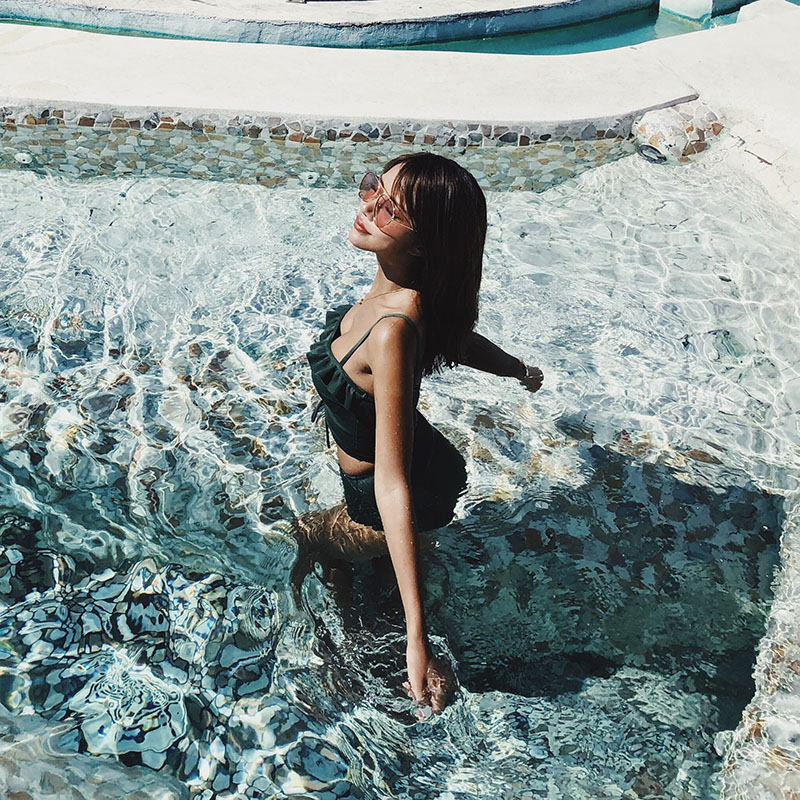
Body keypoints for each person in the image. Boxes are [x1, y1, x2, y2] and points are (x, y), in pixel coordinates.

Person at [295, 152, 543, 718]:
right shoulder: (405, 296)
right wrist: (517, 370)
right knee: (364, 566)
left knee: (311, 540)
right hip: (420, 467)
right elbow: (458, 340)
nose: (368, 207)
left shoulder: (394, 328)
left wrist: (418, 639)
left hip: (399, 486)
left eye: (390, 209)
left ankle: (402, 644)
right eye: (372, 187)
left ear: (424, 244)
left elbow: (393, 484)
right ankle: (388, 584)